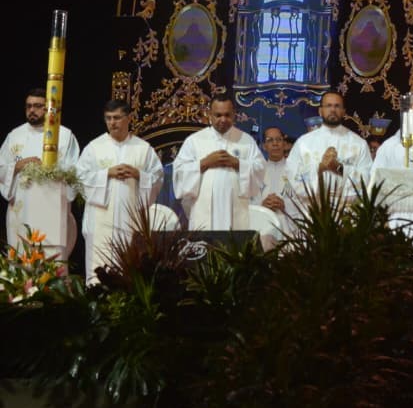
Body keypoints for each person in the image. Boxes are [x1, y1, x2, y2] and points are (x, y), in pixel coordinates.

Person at [76, 99, 163, 282]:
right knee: (99, 267)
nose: (112, 123)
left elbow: (158, 178)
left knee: (128, 269)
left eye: (117, 118)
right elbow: (80, 178)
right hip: (100, 219)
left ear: (129, 118)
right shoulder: (94, 148)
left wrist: (138, 174)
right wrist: (107, 173)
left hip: (129, 220)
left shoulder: (143, 149)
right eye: (108, 118)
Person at [0, 88, 81, 253]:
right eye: (28, 106)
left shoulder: (64, 136)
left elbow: (75, 172)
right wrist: (17, 166)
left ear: (48, 108)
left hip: (51, 208)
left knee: (50, 261)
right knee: (22, 259)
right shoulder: (14, 136)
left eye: (37, 106)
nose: (31, 110)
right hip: (21, 210)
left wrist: (49, 170)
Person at [172, 96, 266, 231]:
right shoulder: (194, 141)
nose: (223, 119)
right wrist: (204, 163)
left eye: (227, 115)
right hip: (203, 212)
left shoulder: (246, 140)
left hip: (236, 212)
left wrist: (237, 163)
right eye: (218, 115)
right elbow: (179, 172)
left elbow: (260, 169)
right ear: (210, 115)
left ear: (234, 115)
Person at [289, 91, 374, 204]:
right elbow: (292, 176)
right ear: (320, 111)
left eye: (337, 106)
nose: (333, 109)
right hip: (313, 209)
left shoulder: (359, 144)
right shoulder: (303, 143)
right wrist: (319, 168)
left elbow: (368, 179)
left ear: (344, 112)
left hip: (346, 210)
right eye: (328, 105)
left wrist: (339, 168)